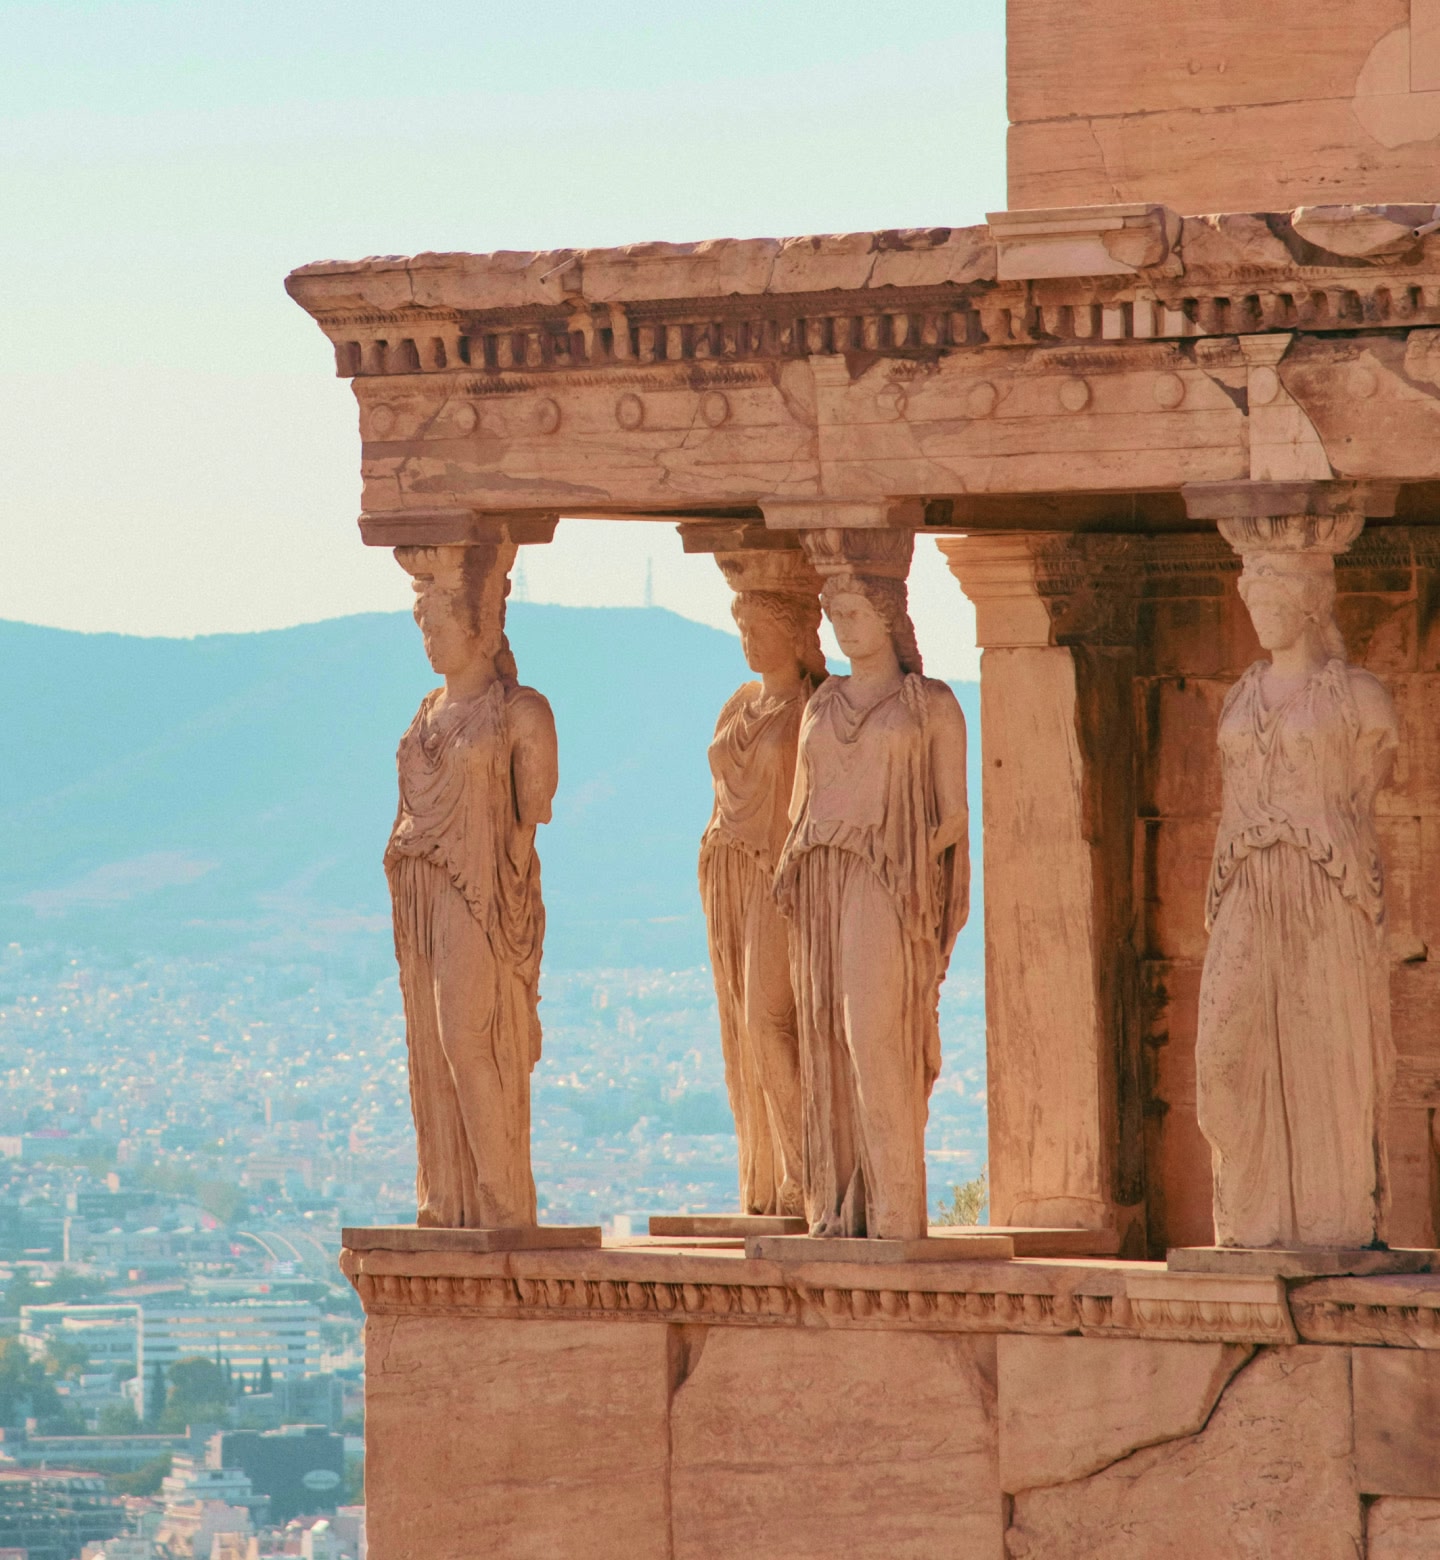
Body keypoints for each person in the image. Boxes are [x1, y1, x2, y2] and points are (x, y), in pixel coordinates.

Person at [1197, 545, 1398, 1248]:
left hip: (1323, 882)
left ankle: (1327, 1222)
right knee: (1222, 1057)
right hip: (1245, 878)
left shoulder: (1360, 697)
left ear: (1311, 602)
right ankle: (1251, 1218)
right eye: (1253, 600)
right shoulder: (1240, 693)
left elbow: (1362, 794)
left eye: (1275, 599)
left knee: (1324, 1046)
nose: (1260, 614)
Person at [776, 573, 969, 1239]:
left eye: (854, 612)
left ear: (888, 615)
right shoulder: (820, 705)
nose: (842, 627)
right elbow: (802, 801)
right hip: (820, 877)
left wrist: (898, 844)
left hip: (889, 879)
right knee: (826, 1036)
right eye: (833, 614)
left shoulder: (931, 705)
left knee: (873, 1033)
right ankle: (842, 1205)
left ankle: (895, 1210)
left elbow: (953, 819)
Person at [385, 542, 557, 1228]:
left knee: (467, 1038)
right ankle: (452, 1196)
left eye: (439, 624)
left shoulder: (521, 712)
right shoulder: (425, 710)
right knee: (430, 1041)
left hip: (479, 892)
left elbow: (534, 805)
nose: (428, 640)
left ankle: (503, 1199)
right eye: (421, 626)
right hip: (420, 889)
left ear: (480, 627)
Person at [700, 588, 826, 1217]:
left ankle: (810, 1172)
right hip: (731, 874)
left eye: (760, 626)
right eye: (741, 626)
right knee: (747, 1030)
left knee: (769, 1023)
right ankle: (778, 1174)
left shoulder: (813, 708)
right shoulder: (739, 703)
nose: (748, 638)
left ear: (796, 631)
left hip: (784, 878)